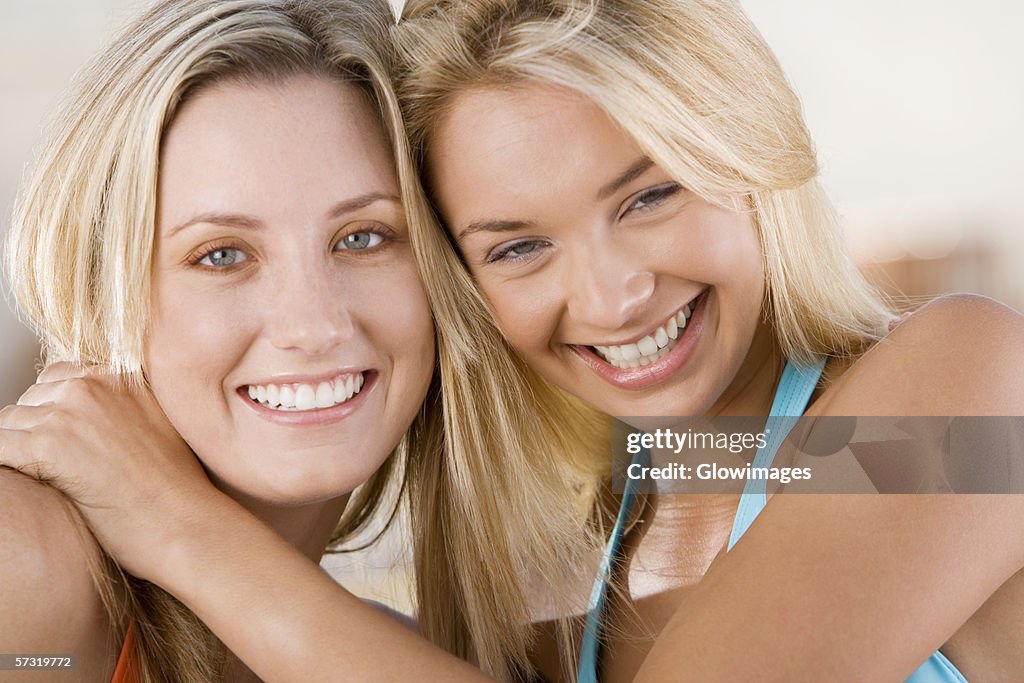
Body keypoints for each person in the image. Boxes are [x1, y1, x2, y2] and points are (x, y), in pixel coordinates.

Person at [4, 0, 1024, 681]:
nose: (613, 295)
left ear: (748, 146)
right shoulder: (607, 558)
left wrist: (175, 521)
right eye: (518, 244)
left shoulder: (971, 395)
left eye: (651, 193)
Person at [0, 0, 599, 681]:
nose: (314, 327)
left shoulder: (395, 654)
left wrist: (182, 529)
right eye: (221, 255)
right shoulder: (23, 554)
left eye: (364, 237)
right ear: (102, 286)